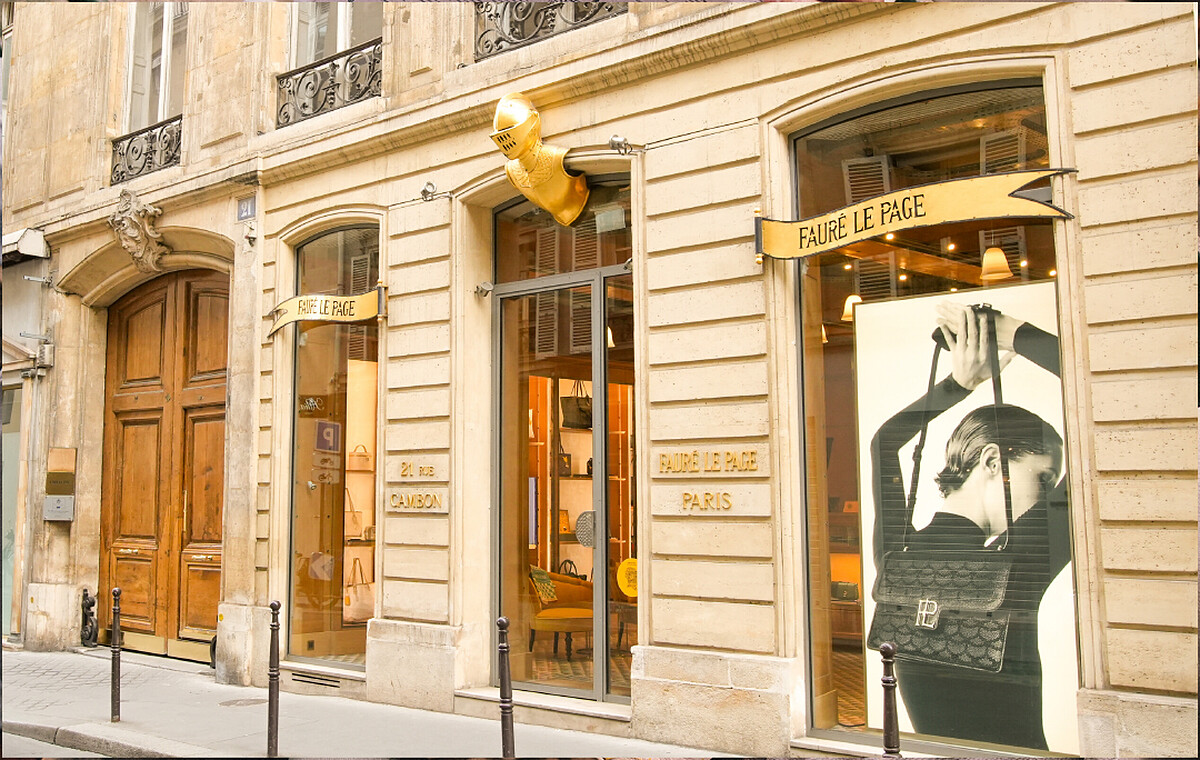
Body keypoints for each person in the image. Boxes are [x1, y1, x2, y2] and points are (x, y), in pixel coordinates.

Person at [869, 301, 1070, 750]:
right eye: (1043, 479)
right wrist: (1010, 332)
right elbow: (1106, 392)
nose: (1047, 499)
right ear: (993, 460)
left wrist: (958, 385)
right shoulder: (1021, 562)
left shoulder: (897, 558)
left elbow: (885, 443)